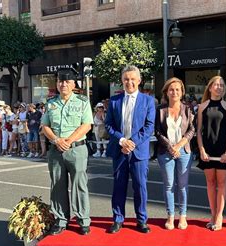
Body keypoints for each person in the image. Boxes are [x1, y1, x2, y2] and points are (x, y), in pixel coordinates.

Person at [41, 67, 93, 235]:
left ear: (73, 84)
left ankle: (83, 220)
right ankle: (61, 219)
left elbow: (86, 125)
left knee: (80, 184)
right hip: (56, 150)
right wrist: (56, 140)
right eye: (60, 81)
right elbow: (45, 126)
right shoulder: (50, 103)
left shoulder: (83, 102)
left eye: (66, 81)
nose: (63, 84)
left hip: (76, 149)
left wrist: (68, 141)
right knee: (57, 185)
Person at [105, 65, 156, 234]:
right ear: (122, 80)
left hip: (138, 151)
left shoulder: (148, 101)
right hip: (119, 150)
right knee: (118, 186)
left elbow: (149, 127)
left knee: (140, 187)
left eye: (133, 79)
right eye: (126, 79)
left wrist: (132, 142)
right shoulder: (114, 101)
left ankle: (141, 220)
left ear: (139, 81)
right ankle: (118, 219)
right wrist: (122, 141)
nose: (130, 82)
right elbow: (109, 125)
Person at [155, 77, 195, 230]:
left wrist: (179, 145)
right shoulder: (160, 110)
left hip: (184, 151)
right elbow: (158, 132)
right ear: (166, 92)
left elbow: (192, 129)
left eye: (177, 89)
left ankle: (183, 216)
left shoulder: (188, 109)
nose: (174, 92)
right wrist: (170, 147)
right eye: (171, 89)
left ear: (182, 92)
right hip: (165, 152)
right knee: (169, 185)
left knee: (183, 185)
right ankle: (170, 216)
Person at [196, 76, 226, 231]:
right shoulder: (202, 106)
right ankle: (212, 214)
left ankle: (219, 216)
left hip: (222, 150)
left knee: (222, 183)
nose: (219, 87)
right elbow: (198, 131)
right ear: (210, 87)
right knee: (210, 183)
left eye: (221, 85)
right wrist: (201, 150)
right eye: (216, 85)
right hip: (207, 150)